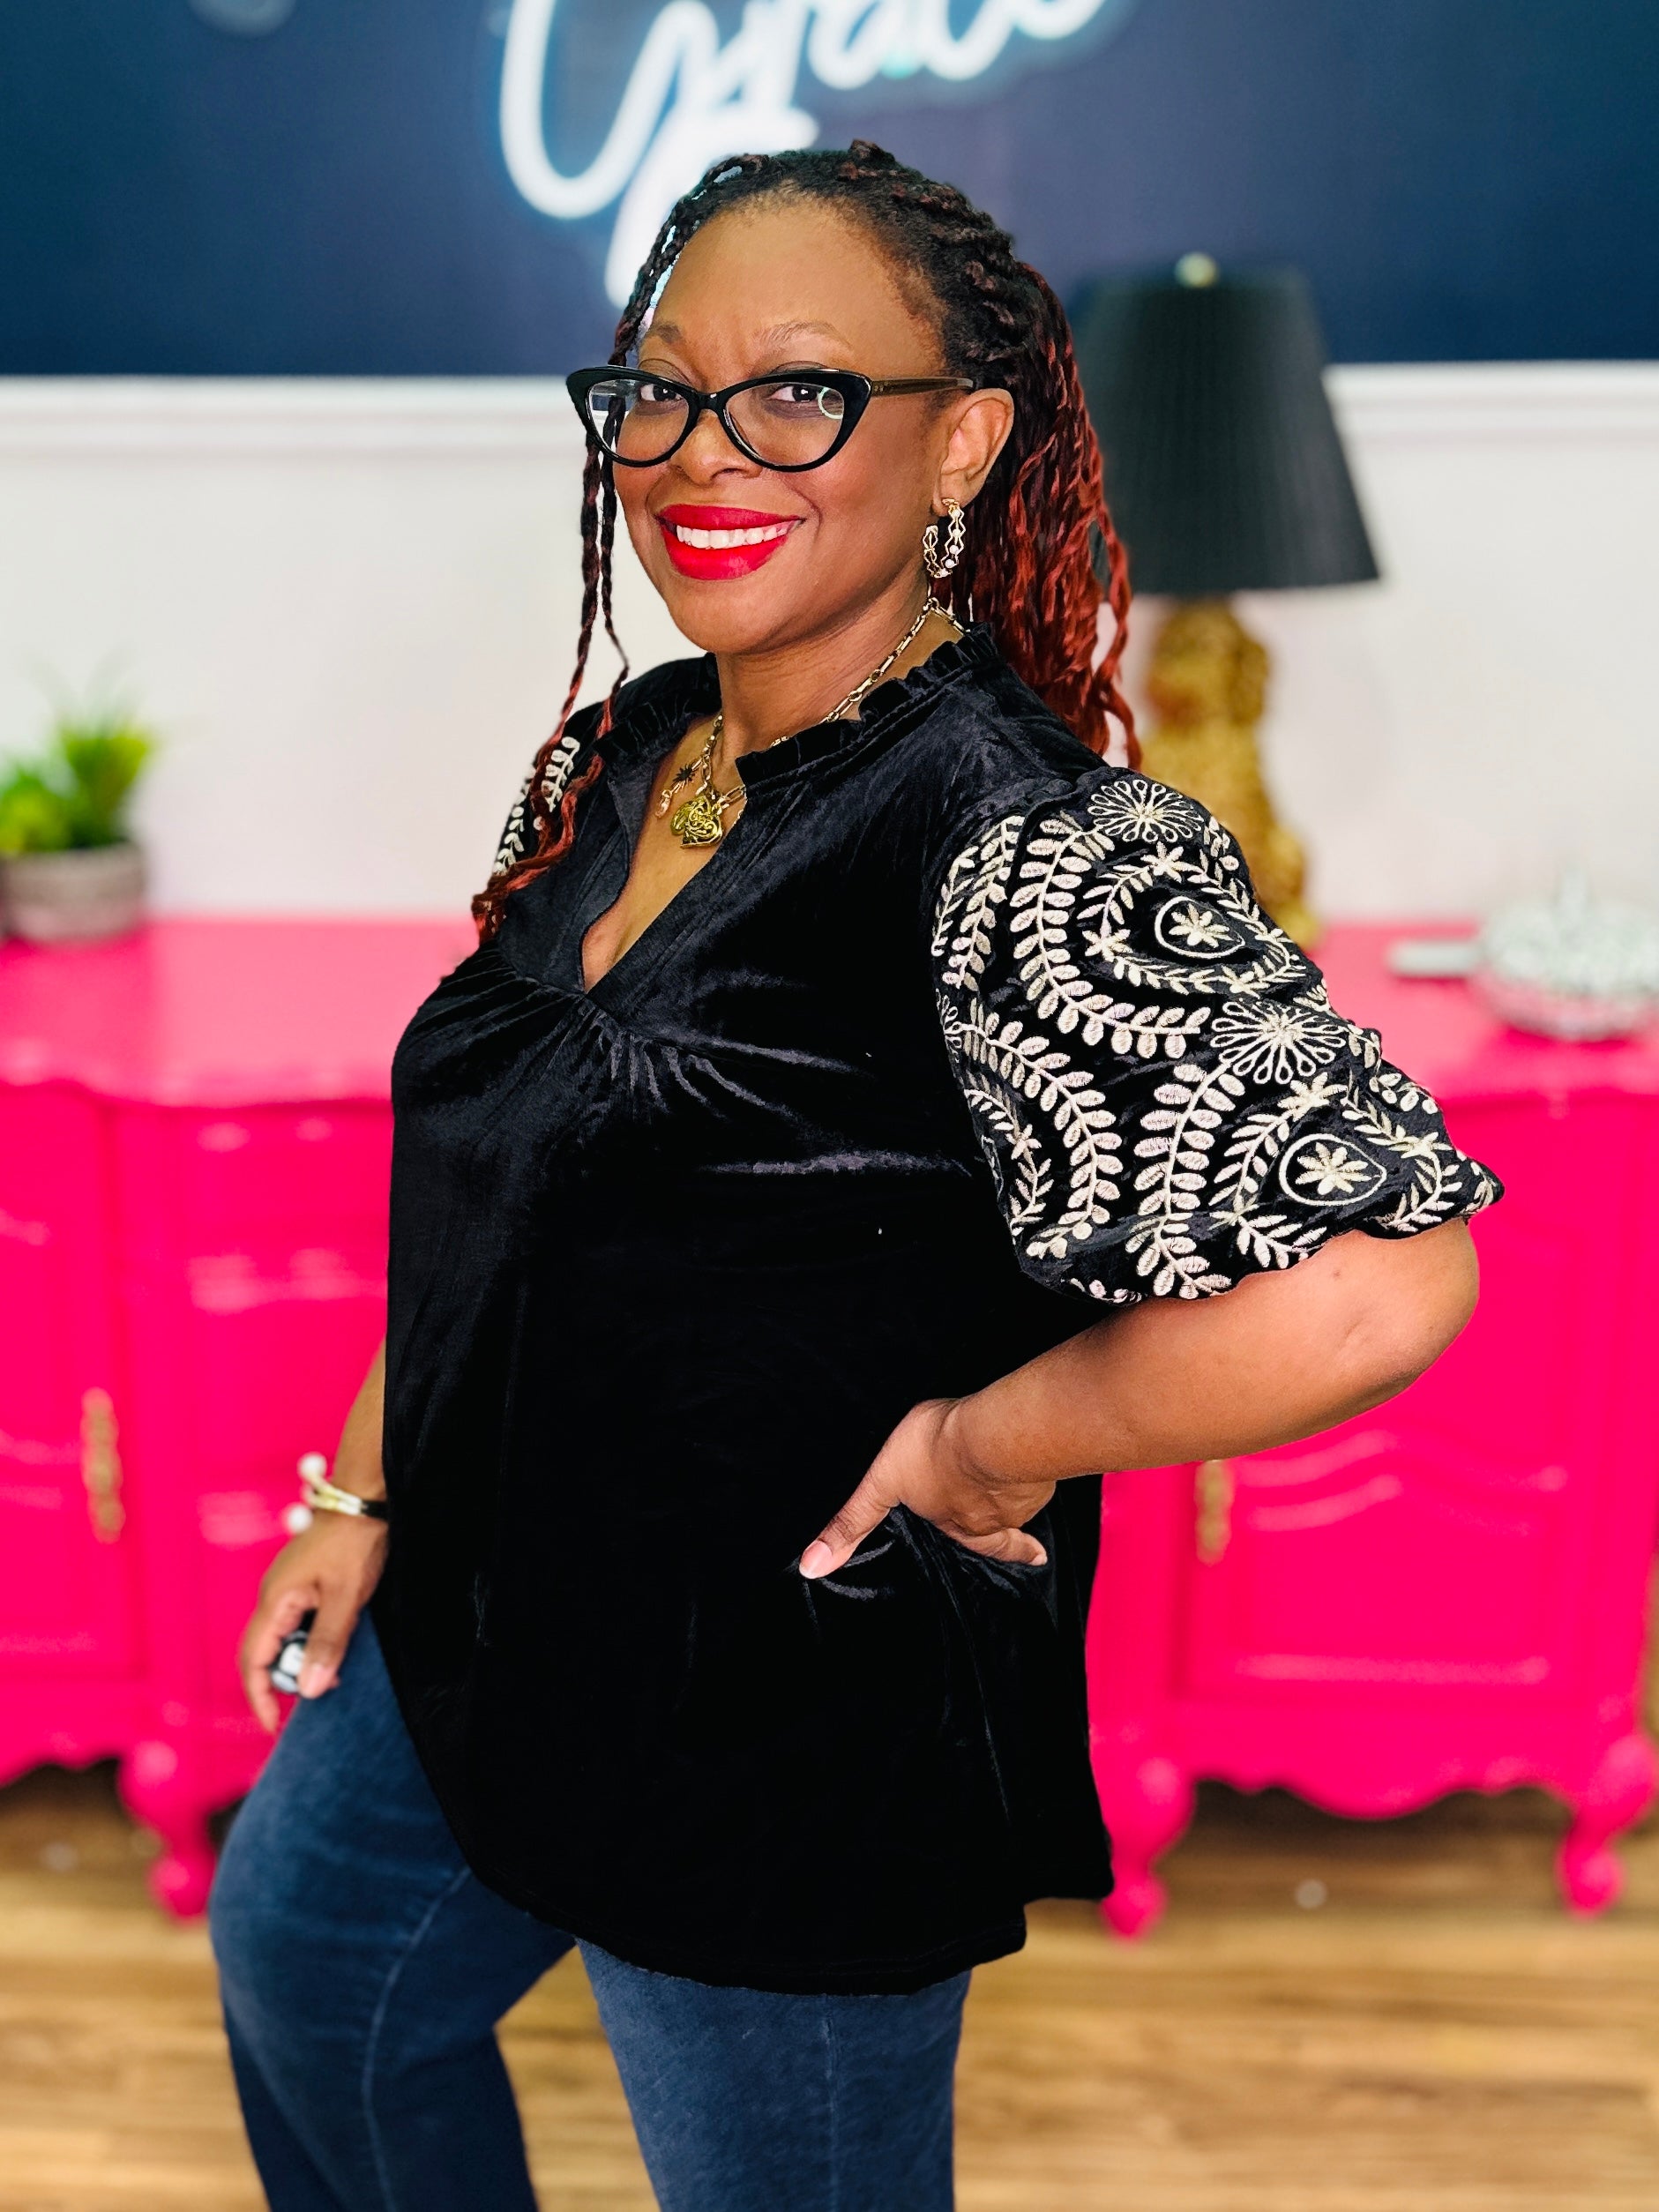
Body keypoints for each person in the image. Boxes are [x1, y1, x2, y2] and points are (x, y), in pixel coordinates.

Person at [209, 143, 1498, 2212]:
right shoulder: (633, 756)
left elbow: (1373, 1277)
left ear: (960, 440)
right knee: (307, 1966)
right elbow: (511, 1185)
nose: (699, 453)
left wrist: (987, 1446)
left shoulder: (1018, 841)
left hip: (776, 1720)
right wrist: (360, 1486)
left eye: (797, 391)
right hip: (479, 1614)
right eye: (658, 390)